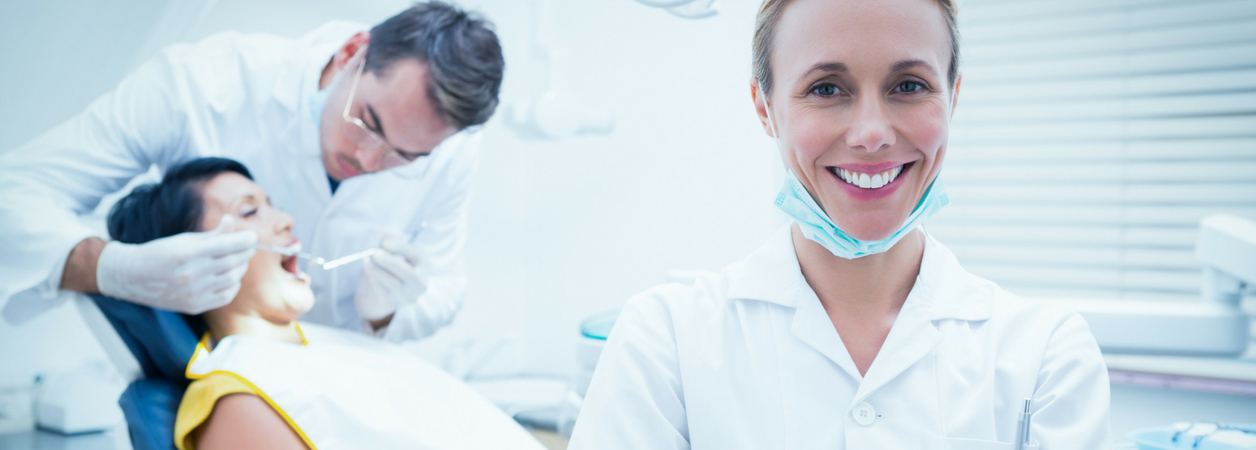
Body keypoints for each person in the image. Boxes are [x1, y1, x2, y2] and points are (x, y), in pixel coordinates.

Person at [568, 0, 1114, 448]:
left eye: (909, 86)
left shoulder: (1045, 356)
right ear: (765, 108)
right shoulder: (664, 344)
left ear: (954, 98)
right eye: (827, 89)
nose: (871, 133)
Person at [0, 1, 504, 342]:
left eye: (404, 157)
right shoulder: (201, 84)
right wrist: (116, 269)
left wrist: (388, 310)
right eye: (366, 124)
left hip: (341, 378)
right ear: (352, 53)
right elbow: (13, 195)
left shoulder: (451, 151)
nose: (368, 163)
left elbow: (442, 285)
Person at [104, 157, 545, 450]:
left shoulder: (331, 348)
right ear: (189, 266)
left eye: (270, 204)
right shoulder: (238, 400)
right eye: (249, 212)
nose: (285, 219)